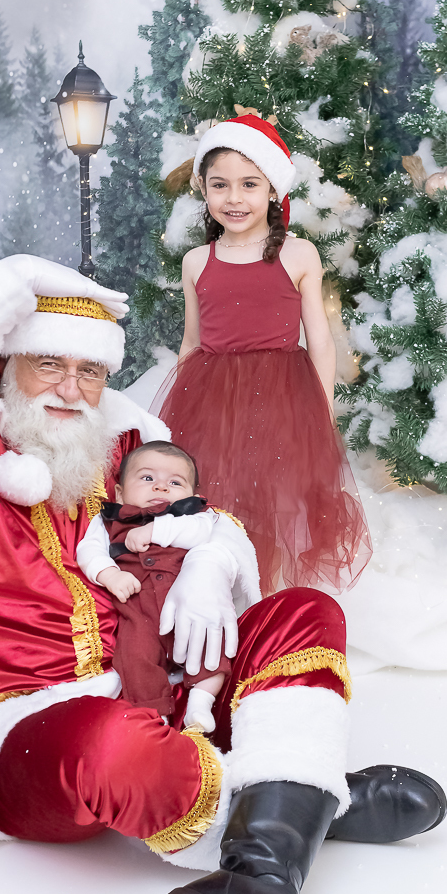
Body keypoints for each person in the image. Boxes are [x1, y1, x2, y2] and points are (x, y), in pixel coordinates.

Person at [0, 254, 445, 894]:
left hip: (159, 682)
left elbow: (203, 517)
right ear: (6, 362)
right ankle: (301, 801)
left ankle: (260, 868)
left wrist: (210, 564)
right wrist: (6, 276)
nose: (70, 386)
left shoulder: (115, 446)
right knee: (116, 746)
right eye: (47, 362)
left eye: (89, 372)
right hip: (19, 726)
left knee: (304, 610)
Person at [152, 113, 372, 596]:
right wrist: (179, 410)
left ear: (272, 190)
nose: (234, 198)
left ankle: (270, 600)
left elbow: (319, 338)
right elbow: (192, 341)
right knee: (221, 498)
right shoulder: (196, 261)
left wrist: (322, 405)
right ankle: (223, 598)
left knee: (275, 498)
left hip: (282, 394)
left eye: (249, 184)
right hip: (212, 396)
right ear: (204, 192)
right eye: (220, 185)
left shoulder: (298, 254)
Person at [76, 440, 235, 731]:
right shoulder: (108, 521)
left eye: (175, 482)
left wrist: (156, 529)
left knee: (214, 646)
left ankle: (201, 702)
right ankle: (153, 716)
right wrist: (111, 575)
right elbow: (88, 551)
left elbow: (199, 533)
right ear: (121, 492)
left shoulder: (193, 517)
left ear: (192, 495)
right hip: (138, 611)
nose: (161, 488)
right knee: (134, 658)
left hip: (188, 606)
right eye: (147, 478)